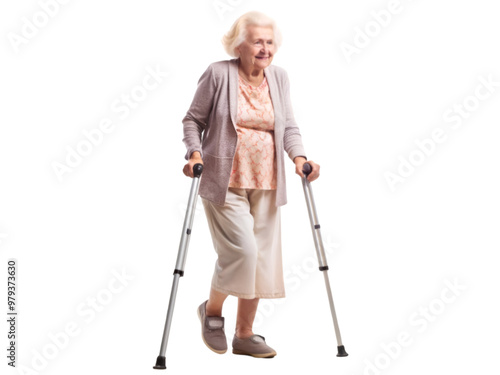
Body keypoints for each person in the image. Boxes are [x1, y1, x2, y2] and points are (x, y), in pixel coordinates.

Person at [182, 10, 320, 358]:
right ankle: (212, 312)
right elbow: (193, 120)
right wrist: (195, 154)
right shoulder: (218, 73)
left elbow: (288, 125)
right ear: (239, 44)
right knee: (242, 253)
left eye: (270, 42)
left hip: (268, 182)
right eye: (257, 40)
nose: (265, 48)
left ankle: (245, 333)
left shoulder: (279, 78)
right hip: (223, 180)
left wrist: (300, 159)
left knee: (260, 260)